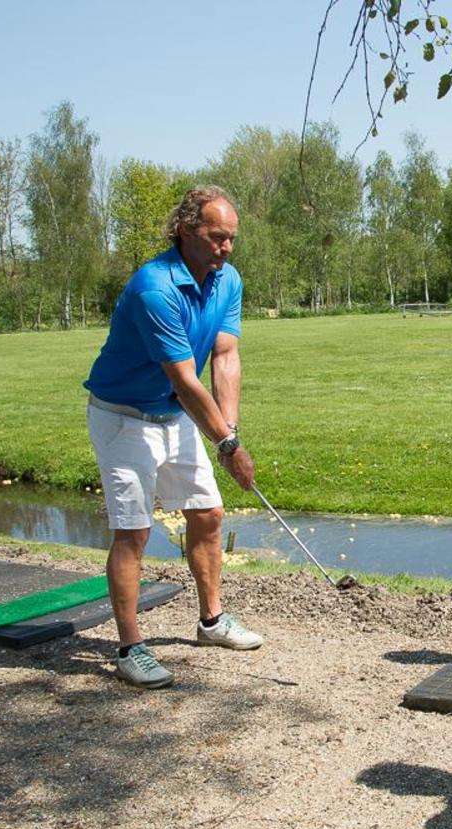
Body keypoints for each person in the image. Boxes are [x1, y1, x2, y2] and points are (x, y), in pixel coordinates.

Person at [83, 185, 263, 689]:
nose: (226, 248)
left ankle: (211, 622)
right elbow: (184, 381)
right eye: (216, 237)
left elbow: (225, 356)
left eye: (231, 239)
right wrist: (229, 447)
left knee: (207, 513)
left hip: (174, 416)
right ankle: (130, 648)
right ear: (185, 230)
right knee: (133, 531)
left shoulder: (227, 281)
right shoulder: (154, 287)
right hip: (124, 417)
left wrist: (231, 432)